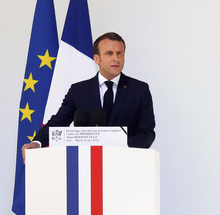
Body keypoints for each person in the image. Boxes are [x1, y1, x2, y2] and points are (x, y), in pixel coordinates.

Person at [22, 32, 155, 161]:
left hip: (125, 163)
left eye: (119, 53)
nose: (116, 58)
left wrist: (117, 145)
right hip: (86, 164)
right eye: (109, 53)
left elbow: (147, 133)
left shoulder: (139, 90)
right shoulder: (79, 91)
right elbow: (58, 123)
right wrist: (37, 143)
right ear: (97, 59)